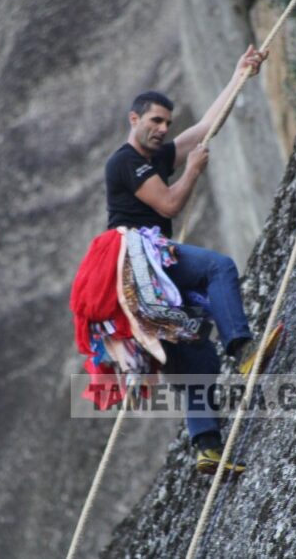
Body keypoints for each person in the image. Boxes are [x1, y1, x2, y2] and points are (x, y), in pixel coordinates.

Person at [104, 45, 268, 475]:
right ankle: (243, 348)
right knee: (218, 267)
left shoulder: (152, 157)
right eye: (154, 121)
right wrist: (192, 170)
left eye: (165, 123)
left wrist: (239, 75)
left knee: (196, 358)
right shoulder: (125, 164)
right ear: (134, 119)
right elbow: (170, 206)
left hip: (148, 276)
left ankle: (207, 447)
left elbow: (204, 128)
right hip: (140, 263)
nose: (161, 129)